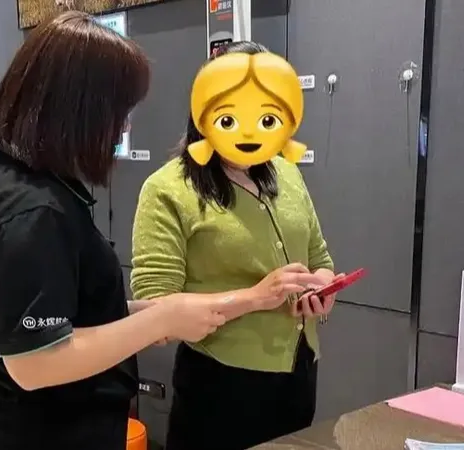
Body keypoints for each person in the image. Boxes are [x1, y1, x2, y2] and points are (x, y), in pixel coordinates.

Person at [0, 11, 227, 450]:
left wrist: (145, 315)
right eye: (120, 112)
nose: (125, 126)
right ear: (80, 110)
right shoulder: (34, 211)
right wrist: (160, 319)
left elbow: (62, 314)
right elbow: (35, 361)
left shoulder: (14, 177)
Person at [130, 41, 339, 450]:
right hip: (220, 384)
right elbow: (155, 310)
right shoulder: (168, 189)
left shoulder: (286, 173)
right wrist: (255, 297)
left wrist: (322, 288)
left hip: (298, 371)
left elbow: (319, 257)